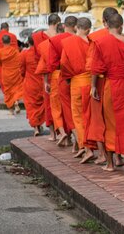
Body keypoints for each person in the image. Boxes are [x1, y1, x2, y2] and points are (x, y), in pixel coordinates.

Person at [90, 13, 124, 174]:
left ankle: (110, 164)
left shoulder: (100, 42)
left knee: (109, 123)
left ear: (107, 25)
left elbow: (96, 68)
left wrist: (93, 86)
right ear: (121, 26)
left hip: (110, 86)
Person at [85, 7, 120, 166]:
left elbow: (94, 64)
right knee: (117, 119)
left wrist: (93, 85)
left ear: (104, 21)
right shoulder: (123, 37)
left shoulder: (97, 38)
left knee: (99, 120)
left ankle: (104, 156)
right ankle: (118, 156)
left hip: (101, 82)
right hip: (120, 82)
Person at [60, 17, 94, 163]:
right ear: (89, 29)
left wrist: (68, 79)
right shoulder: (92, 43)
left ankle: (87, 149)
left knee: (78, 117)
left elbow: (63, 63)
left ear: (76, 27)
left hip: (76, 82)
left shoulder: (68, 43)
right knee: (91, 116)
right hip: (91, 82)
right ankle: (94, 148)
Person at [47, 16, 78, 148]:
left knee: (64, 108)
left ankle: (72, 137)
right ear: (76, 26)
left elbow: (51, 63)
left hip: (61, 75)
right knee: (78, 109)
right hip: (80, 76)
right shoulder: (82, 39)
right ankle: (79, 140)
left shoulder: (54, 40)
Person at [35, 15, 63, 142]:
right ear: (58, 23)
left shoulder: (39, 37)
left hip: (49, 73)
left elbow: (39, 57)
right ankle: (65, 134)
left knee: (49, 105)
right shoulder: (63, 37)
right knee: (64, 105)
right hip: (64, 73)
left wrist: (45, 79)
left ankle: (53, 134)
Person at [21, 35, 45, 136]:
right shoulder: (41, 53)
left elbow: (22, 70)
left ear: (28, 43)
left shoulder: (24, 54)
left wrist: (24, 77)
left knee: (31, 105)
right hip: (42, 82)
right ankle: (40, 124)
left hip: (30, 83)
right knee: (42, 104)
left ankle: (36, 128)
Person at [0, 35, 24, 115]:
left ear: (2, 42)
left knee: (8, 91)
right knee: (17, 89)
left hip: (6, 74)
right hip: (15, 73)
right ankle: (15, 101)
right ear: (10, 41)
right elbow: (19, 61)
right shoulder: (15, 51)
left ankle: (11, 111)